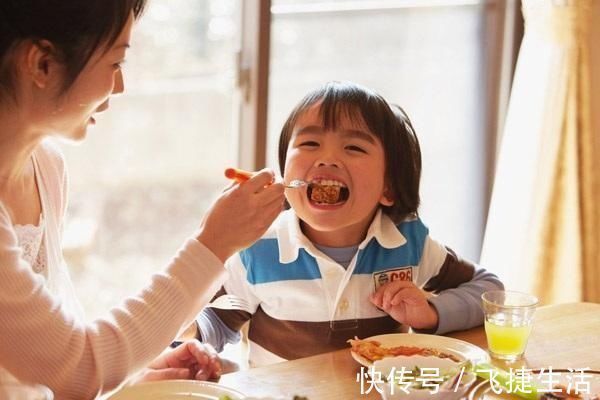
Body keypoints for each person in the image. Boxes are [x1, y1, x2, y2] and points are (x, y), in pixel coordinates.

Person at [0, 1, 285, 399]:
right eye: (116, 63)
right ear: (41, 64)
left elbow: (53, 360)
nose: (119, 86)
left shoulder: (45, 167)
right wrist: (213, 244)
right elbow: (78, 368)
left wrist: (131, 376)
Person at [190, 81, 504, 367]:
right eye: (310, 143)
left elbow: (490, 291)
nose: (327, 159)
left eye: (353, 147)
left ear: (388, 188)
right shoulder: (258, 250)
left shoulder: (408, 243)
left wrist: (431, 313)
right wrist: (195, 350)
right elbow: (211, 323)